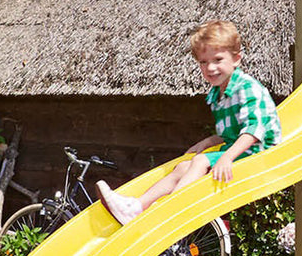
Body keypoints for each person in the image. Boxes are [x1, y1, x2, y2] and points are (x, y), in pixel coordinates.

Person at [96, 20, 281, 225]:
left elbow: (254, 130)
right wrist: (209, 142)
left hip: (261, 153)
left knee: (200, 161)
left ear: (236, 59)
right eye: (203, 62)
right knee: (184, 167)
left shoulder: (246, 87)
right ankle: (136, 207)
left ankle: (169, 211)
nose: (210, 68)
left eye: (218, 59)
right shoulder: (217, 94)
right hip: (240, 151)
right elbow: (232, 132)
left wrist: (227, 157)